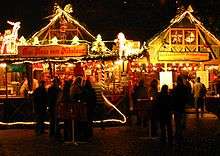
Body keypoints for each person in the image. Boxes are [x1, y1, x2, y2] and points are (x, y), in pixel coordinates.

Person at [172, 76, 189, 143]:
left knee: (177, 121)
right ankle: (180, 133)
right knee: (181, 120)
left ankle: (177, 133)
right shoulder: (185, 88)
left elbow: (173, 97)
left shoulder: (176, 88)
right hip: (182, 106)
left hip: (177, 106)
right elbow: (187, 96)